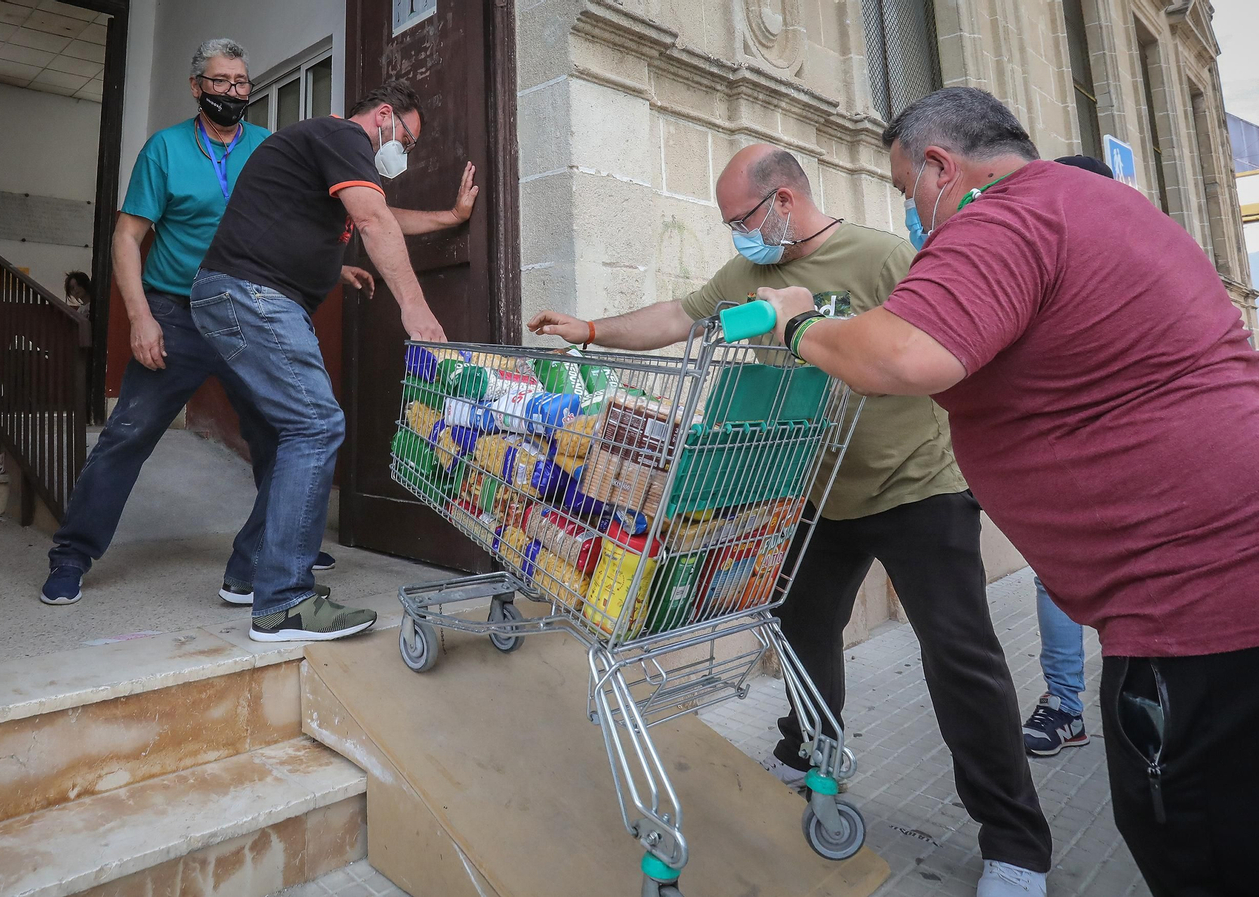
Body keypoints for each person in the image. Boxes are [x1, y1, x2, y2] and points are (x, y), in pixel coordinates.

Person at [757, 86, 1259, 897]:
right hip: (1209, 589)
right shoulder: (1097, 204)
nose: (913, 212)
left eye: (904, 188)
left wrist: (795, 322)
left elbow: (902, 355)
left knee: (1196, 838)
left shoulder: (1004, 216)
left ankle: (1015, 851)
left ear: (940, 166)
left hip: (1196, 608)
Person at [528, 144, 1052, 897]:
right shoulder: (748, 272)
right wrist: (588, 329)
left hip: (918, 490)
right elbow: (676, 315)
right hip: (816, 494)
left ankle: (1015, 845)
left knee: (961, 662)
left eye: (740, 218)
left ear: (782, 201)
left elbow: (947, 344)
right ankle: (810, 757)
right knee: (802, 637)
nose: (734, 236)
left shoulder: (881, 256)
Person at [40, 38, 353, 606]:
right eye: (220, 82)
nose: (233, 92)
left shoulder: (267, 146)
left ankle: (276, 547)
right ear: (196, 87)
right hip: (176, 313)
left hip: (249, 316)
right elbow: (128, 238)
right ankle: (72, 554)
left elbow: (306, 219)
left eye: (240, 82)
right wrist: (139, 318)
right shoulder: (164, 151)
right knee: (128, 434)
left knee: (287, 432)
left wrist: (337, 265)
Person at [189, 79, 476, 642]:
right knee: (316, 426)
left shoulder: (329, 157)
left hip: (240, 297)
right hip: (252, 295)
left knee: (287, 440)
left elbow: (384, 215)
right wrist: (415, 310)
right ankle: (284, 605)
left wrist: (450, 217)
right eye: (408, 142)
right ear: (385, 117)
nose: (405, 154)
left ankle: (251, 574)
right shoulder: (342, 134)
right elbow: (374, 221)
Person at [1017, 154, 1114, 758]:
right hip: (1068, 460)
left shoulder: (1134, 262)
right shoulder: (1043, 261)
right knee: (1056, 581)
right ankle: (1066, 704)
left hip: (1140, 457)